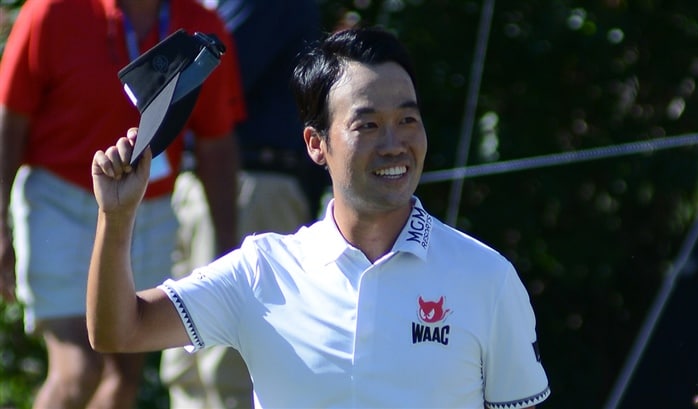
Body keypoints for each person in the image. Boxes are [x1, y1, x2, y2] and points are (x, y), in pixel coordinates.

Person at [87, 27, 551, 408]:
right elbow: (117, 329)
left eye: (407, 120)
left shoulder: (487, 277)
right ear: (316, 144)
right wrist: (116, 216)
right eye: (367, 125)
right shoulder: (263, 271)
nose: (394, 144)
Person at [0, 0, 244, 405]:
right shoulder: (51, 11)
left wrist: (227, 245)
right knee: (79, 369)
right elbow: (9, 121)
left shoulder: (201, 25)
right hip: (59, 201)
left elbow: (215, 142)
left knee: (123, 377)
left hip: (149, 208)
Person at [158, 1, 328, 407]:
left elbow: (203, 75)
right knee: (184, 366)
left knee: (229, 363)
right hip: (201, 182)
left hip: (254, 186)